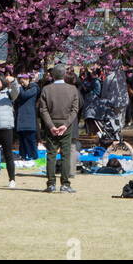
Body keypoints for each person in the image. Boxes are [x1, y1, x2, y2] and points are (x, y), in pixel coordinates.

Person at [38, 65, 81, 193]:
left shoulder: (46, 89)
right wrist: (66, 124)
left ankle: (51, 184)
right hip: (66, 125)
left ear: (52, 75)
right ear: (64, 75)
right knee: (65, 155)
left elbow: (43, 110)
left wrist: (50, 125)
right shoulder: (72, 89)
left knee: (51, 154)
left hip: (51, 124)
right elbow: (75, 109)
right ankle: (65, 184)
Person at [14, 72, 39, 162]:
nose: (21, 83)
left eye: (23, 81)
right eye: (20, 82)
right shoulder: (22, 89)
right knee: (22, 139)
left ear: (28, 79)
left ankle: (33, 156)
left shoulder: (34, 88)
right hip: (20, 119)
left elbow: (24, 95)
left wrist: (19, 87)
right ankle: (23, 156)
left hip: (29, 119)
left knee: (30, 139)